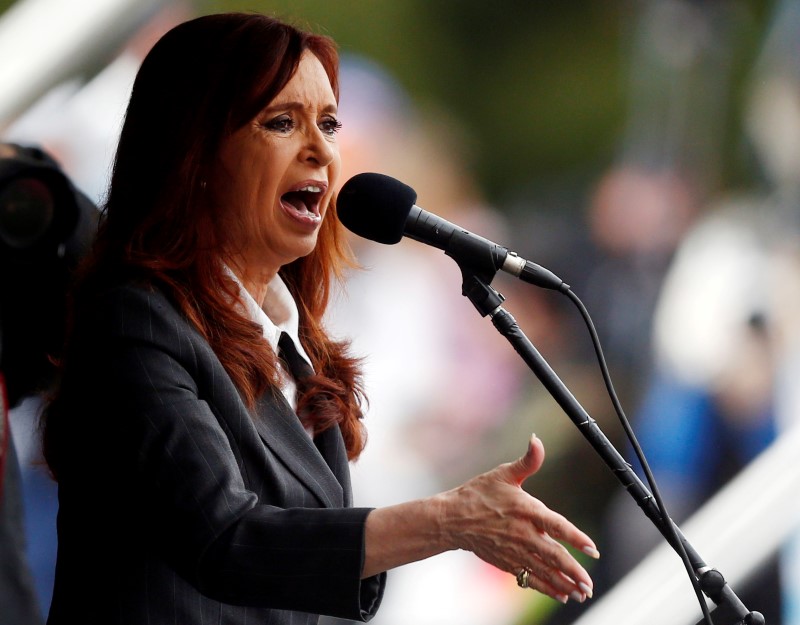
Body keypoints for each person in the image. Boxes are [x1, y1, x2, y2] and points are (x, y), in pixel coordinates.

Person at [40, 12, 599, 625]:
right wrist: (447, 521)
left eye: (329, 124)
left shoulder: (288, 335)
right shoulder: (136, 321)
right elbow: (227, 541)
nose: (321, 150)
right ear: (193, 153)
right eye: (282, 122)